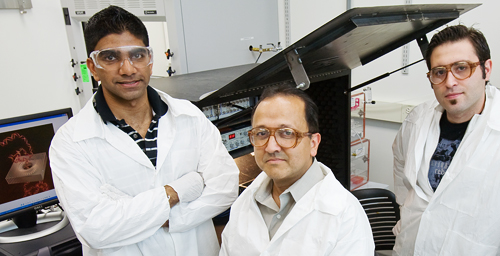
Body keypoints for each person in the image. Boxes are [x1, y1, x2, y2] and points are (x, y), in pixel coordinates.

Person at [49, 5, 239, 256]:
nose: (128, 69)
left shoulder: (189, 116)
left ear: (150, 60)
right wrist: (179, 190)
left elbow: (225, 188)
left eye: (137, 55)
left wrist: (161, 218)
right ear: (93, 67)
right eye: (111, 57)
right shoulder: (70, 142)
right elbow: (96, 229)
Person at [219, 84, 374, 255]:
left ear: (313, 143)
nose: (271, 147)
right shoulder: (245, 202)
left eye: (287, 133)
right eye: (261, 133)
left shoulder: (344, 217)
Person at [392, 24, 500, 255]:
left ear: (486, 69)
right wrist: (406, 211)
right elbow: (401, 163)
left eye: (462, 68)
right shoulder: (417, 119)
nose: (450, 82)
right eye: (439, 72)